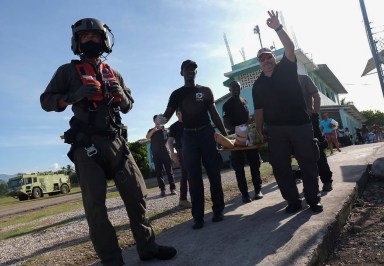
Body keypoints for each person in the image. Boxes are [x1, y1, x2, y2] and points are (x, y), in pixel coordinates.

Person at [40, 18, 176, 265]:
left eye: (95, 36)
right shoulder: (67, 71)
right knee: (95, 206)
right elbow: (46, 101)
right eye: (84, 37)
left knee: (137, 195)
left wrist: (120, 94)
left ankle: (148, 247)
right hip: (86, 146)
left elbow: (128, 105)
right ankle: (112, 259)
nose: (90, 40)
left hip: (116, 142)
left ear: (104, 40)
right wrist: (72, 96)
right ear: (77, 42)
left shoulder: (114, 73)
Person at [252, 11, 323, 213]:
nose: (265, 60)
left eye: (268, 57)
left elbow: (290, 48)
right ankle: (292, 201)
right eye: (261, 58)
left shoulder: (286, 68)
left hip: (301, 124)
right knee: (281, 167)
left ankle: (313, 199)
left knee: (308, 163)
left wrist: (278, 27)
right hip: (276, 131)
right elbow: (258, 110)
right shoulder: (257, 85)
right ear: (259, 62)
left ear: (274, 58)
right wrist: (259, 129)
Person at [157, 59, 227, 229]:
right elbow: (167, 114)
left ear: (196, 72)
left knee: (213, 172)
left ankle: (218, 210)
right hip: (188, 136)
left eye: (194, 69)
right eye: (188, 69)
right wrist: (161, 120)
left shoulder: (205, 91)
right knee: (194, 177)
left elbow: (214, 114)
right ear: (181, 72)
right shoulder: (176, 94)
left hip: (206, 133)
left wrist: (225, 135)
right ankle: (198, 216)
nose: (191, 71)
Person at [222, 80, 263, 203]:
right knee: (239, 168)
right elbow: (226, 123)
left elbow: (247, 119)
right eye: (233, 88)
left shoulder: (245, 101)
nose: (236, 90)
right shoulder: (226, 105)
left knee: (255, 164)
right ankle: (245, 194)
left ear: (240, 88)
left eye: (238, 88)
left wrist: (250, 123)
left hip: (249, 138)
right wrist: (239, 130)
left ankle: (258, 190)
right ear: (230, 90)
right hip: (236, 139)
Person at [298, 74, 333, 192]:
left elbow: (316, 97)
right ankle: (309, 183)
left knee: (318, 152)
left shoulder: (303, 78)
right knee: (301, 156)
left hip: (309, 120)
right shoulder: (282, 81)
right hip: (294, 125)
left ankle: (327, 181)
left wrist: (315, 114)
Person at [146, 115, 177, 197]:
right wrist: (154, 130)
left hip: (166, 153)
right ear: (154, 121)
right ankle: (162, 190)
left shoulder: (165, 129)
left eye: (159, 119)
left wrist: (166, 131)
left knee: (169, 172)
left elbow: (170, 137)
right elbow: (147, 137)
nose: (158, 120)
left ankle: (172, 189)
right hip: (156, 154)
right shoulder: (151, 130)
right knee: (159, 173)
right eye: (157, 119)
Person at [167, 110, 192, 207]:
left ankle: (189, 198)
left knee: (192, 174)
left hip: (193, 150)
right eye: (178, 114)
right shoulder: (174, 126)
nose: (180, 115)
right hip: (182, 151)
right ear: (176, 115)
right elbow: (170, 141)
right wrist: (173, 154)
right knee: (186, 174)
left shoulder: (190, 122)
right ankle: (183, 199)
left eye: (182, 113)